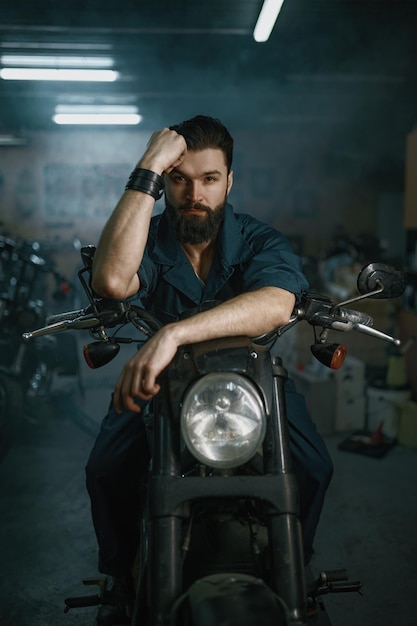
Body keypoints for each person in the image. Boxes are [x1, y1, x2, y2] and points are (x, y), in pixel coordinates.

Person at [85, 115, 333, 622]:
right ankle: (123, 577)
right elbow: (112, 279)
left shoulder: (259, 240)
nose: (193, 193)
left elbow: (277, 303)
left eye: (209, 179)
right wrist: (148, 167)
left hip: (253, 385)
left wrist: (172, 333)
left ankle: (293, 567)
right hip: (160, 386)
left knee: (312, 466)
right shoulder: (148, 239)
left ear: (229, 181)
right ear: (164, 183)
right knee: (106, 469)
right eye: (178, 179)